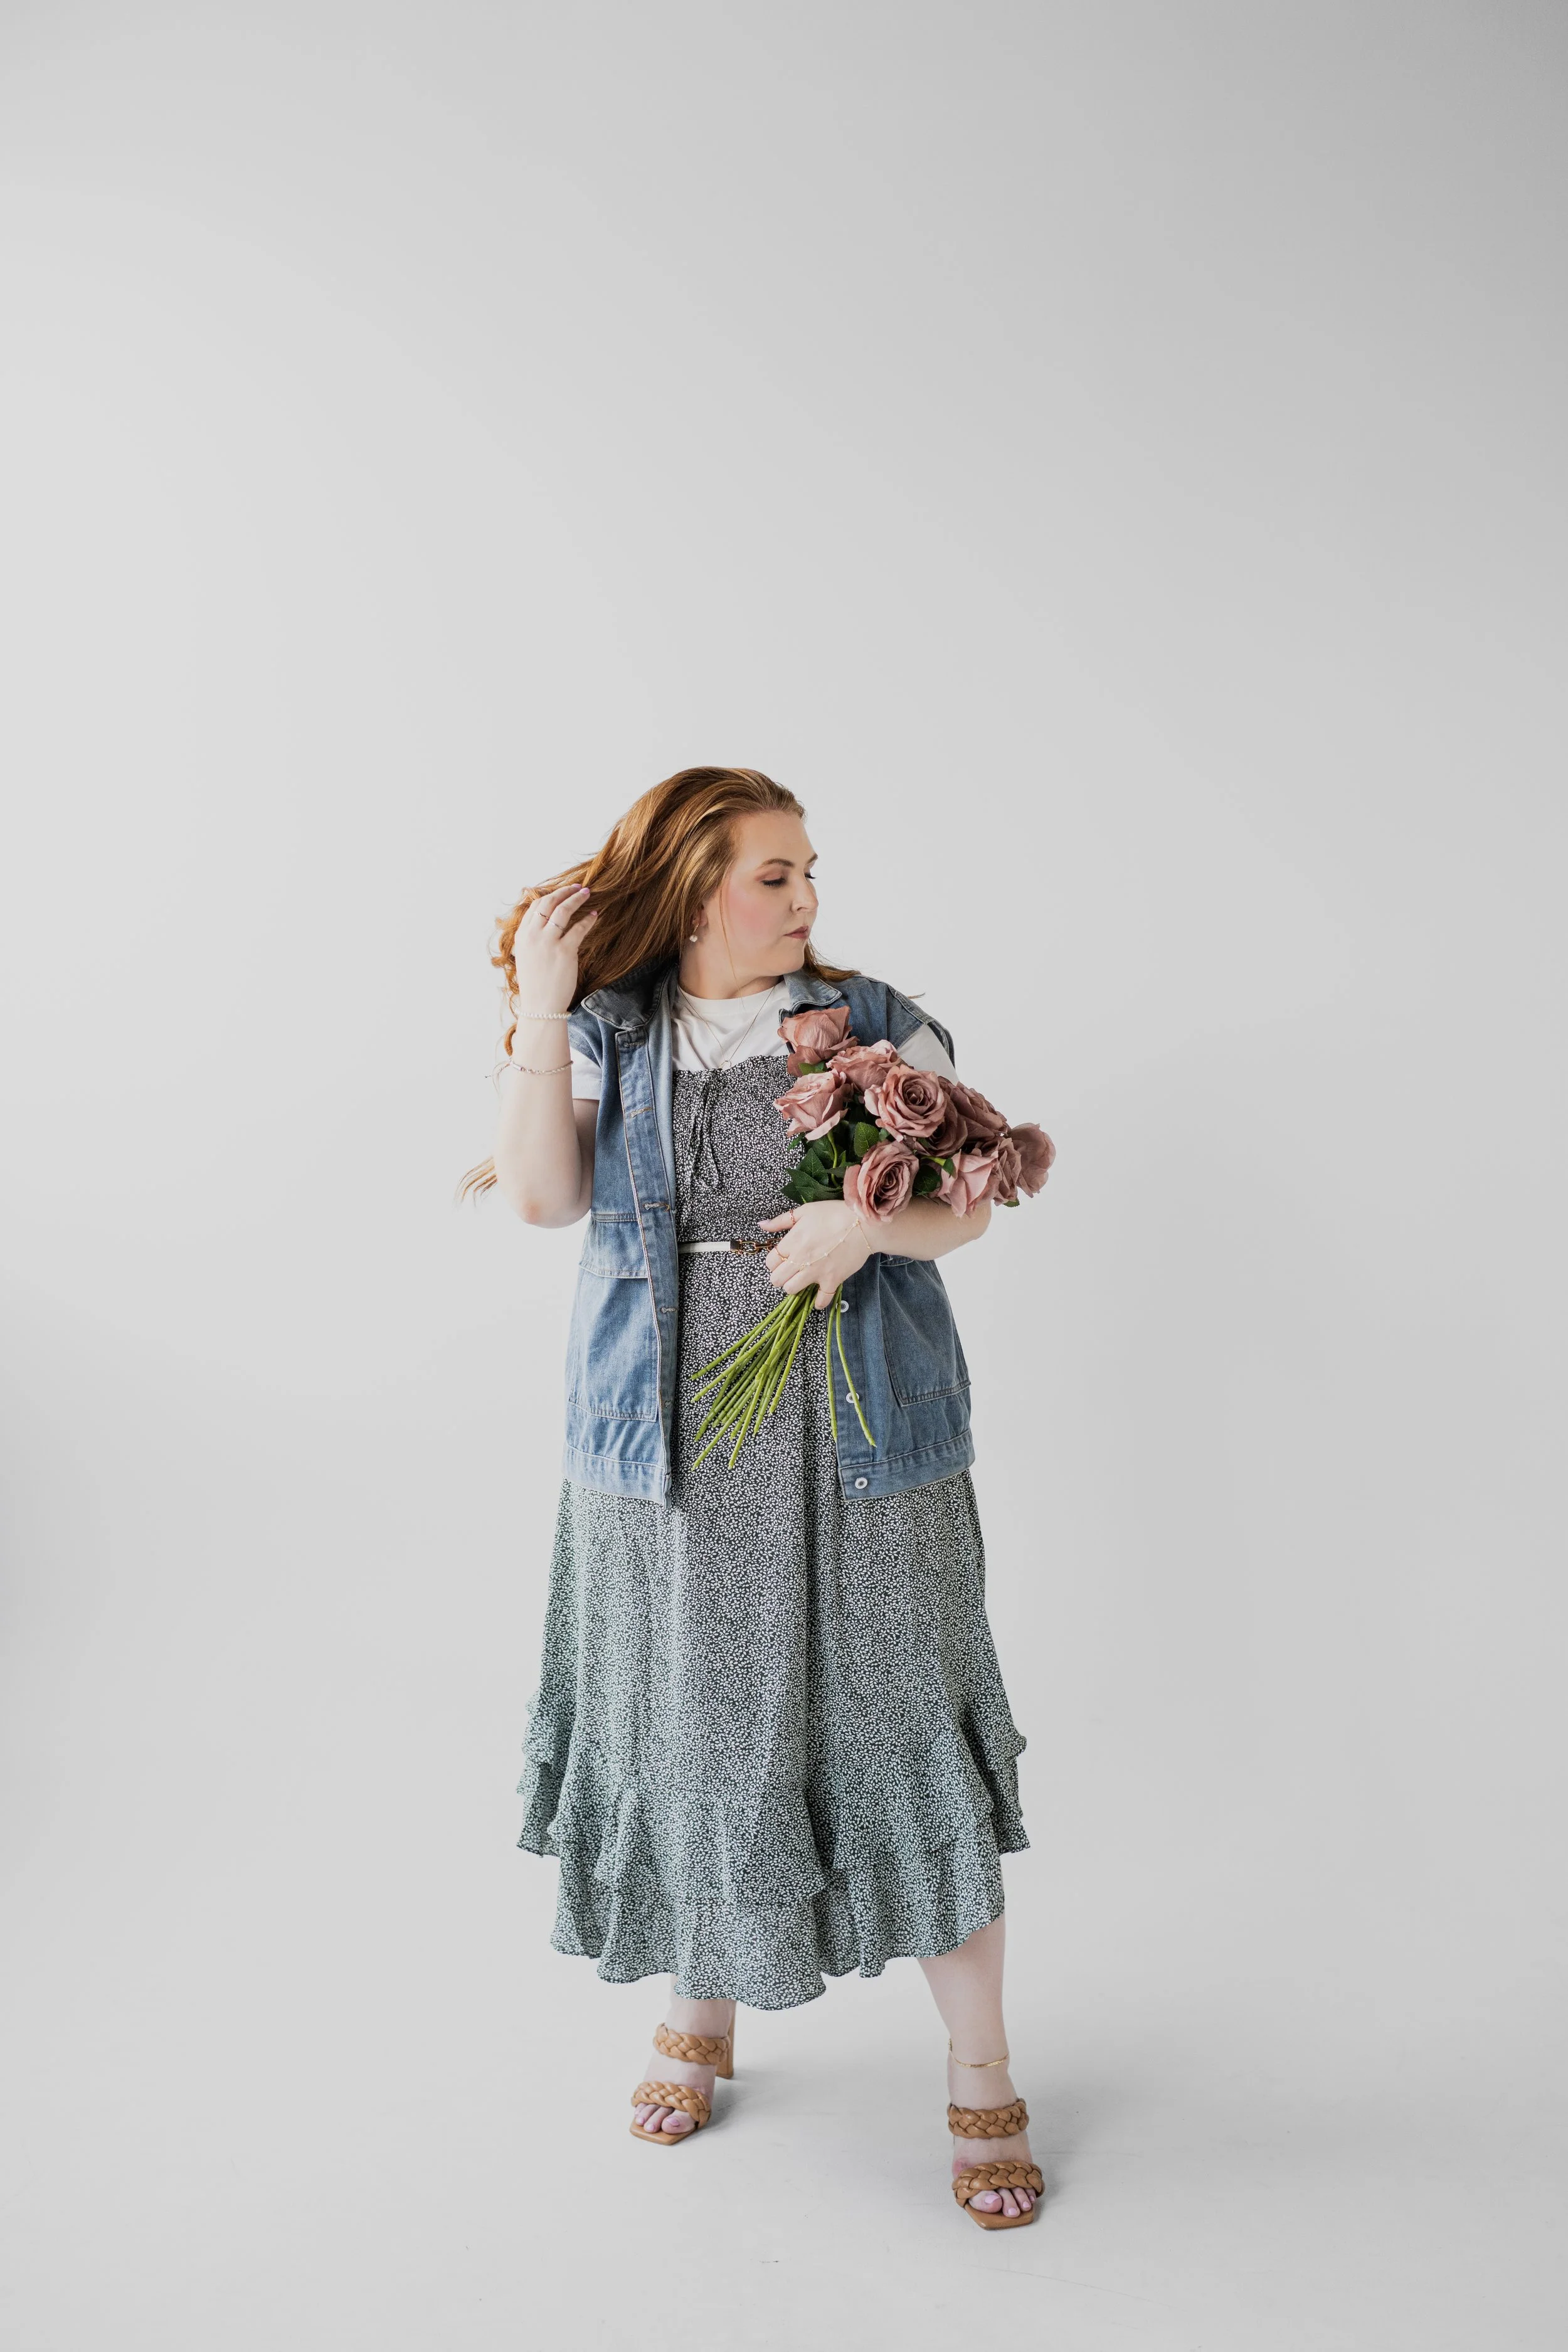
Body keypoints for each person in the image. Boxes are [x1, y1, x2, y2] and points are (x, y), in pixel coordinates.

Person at [462, 766, 1046, 2229]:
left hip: (864, 1426)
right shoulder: (613, 1027)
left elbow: (965, 1206)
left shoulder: (874, 1019)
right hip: (664, 1435)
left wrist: (863, 1229)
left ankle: (981, 2069)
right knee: (692, 1712)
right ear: (691, 881)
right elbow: (543, 1198)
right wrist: (540, 998)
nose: (802, 902)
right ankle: (701, 2014)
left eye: (807, 873)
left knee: (899, 1716)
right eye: (770, 875)